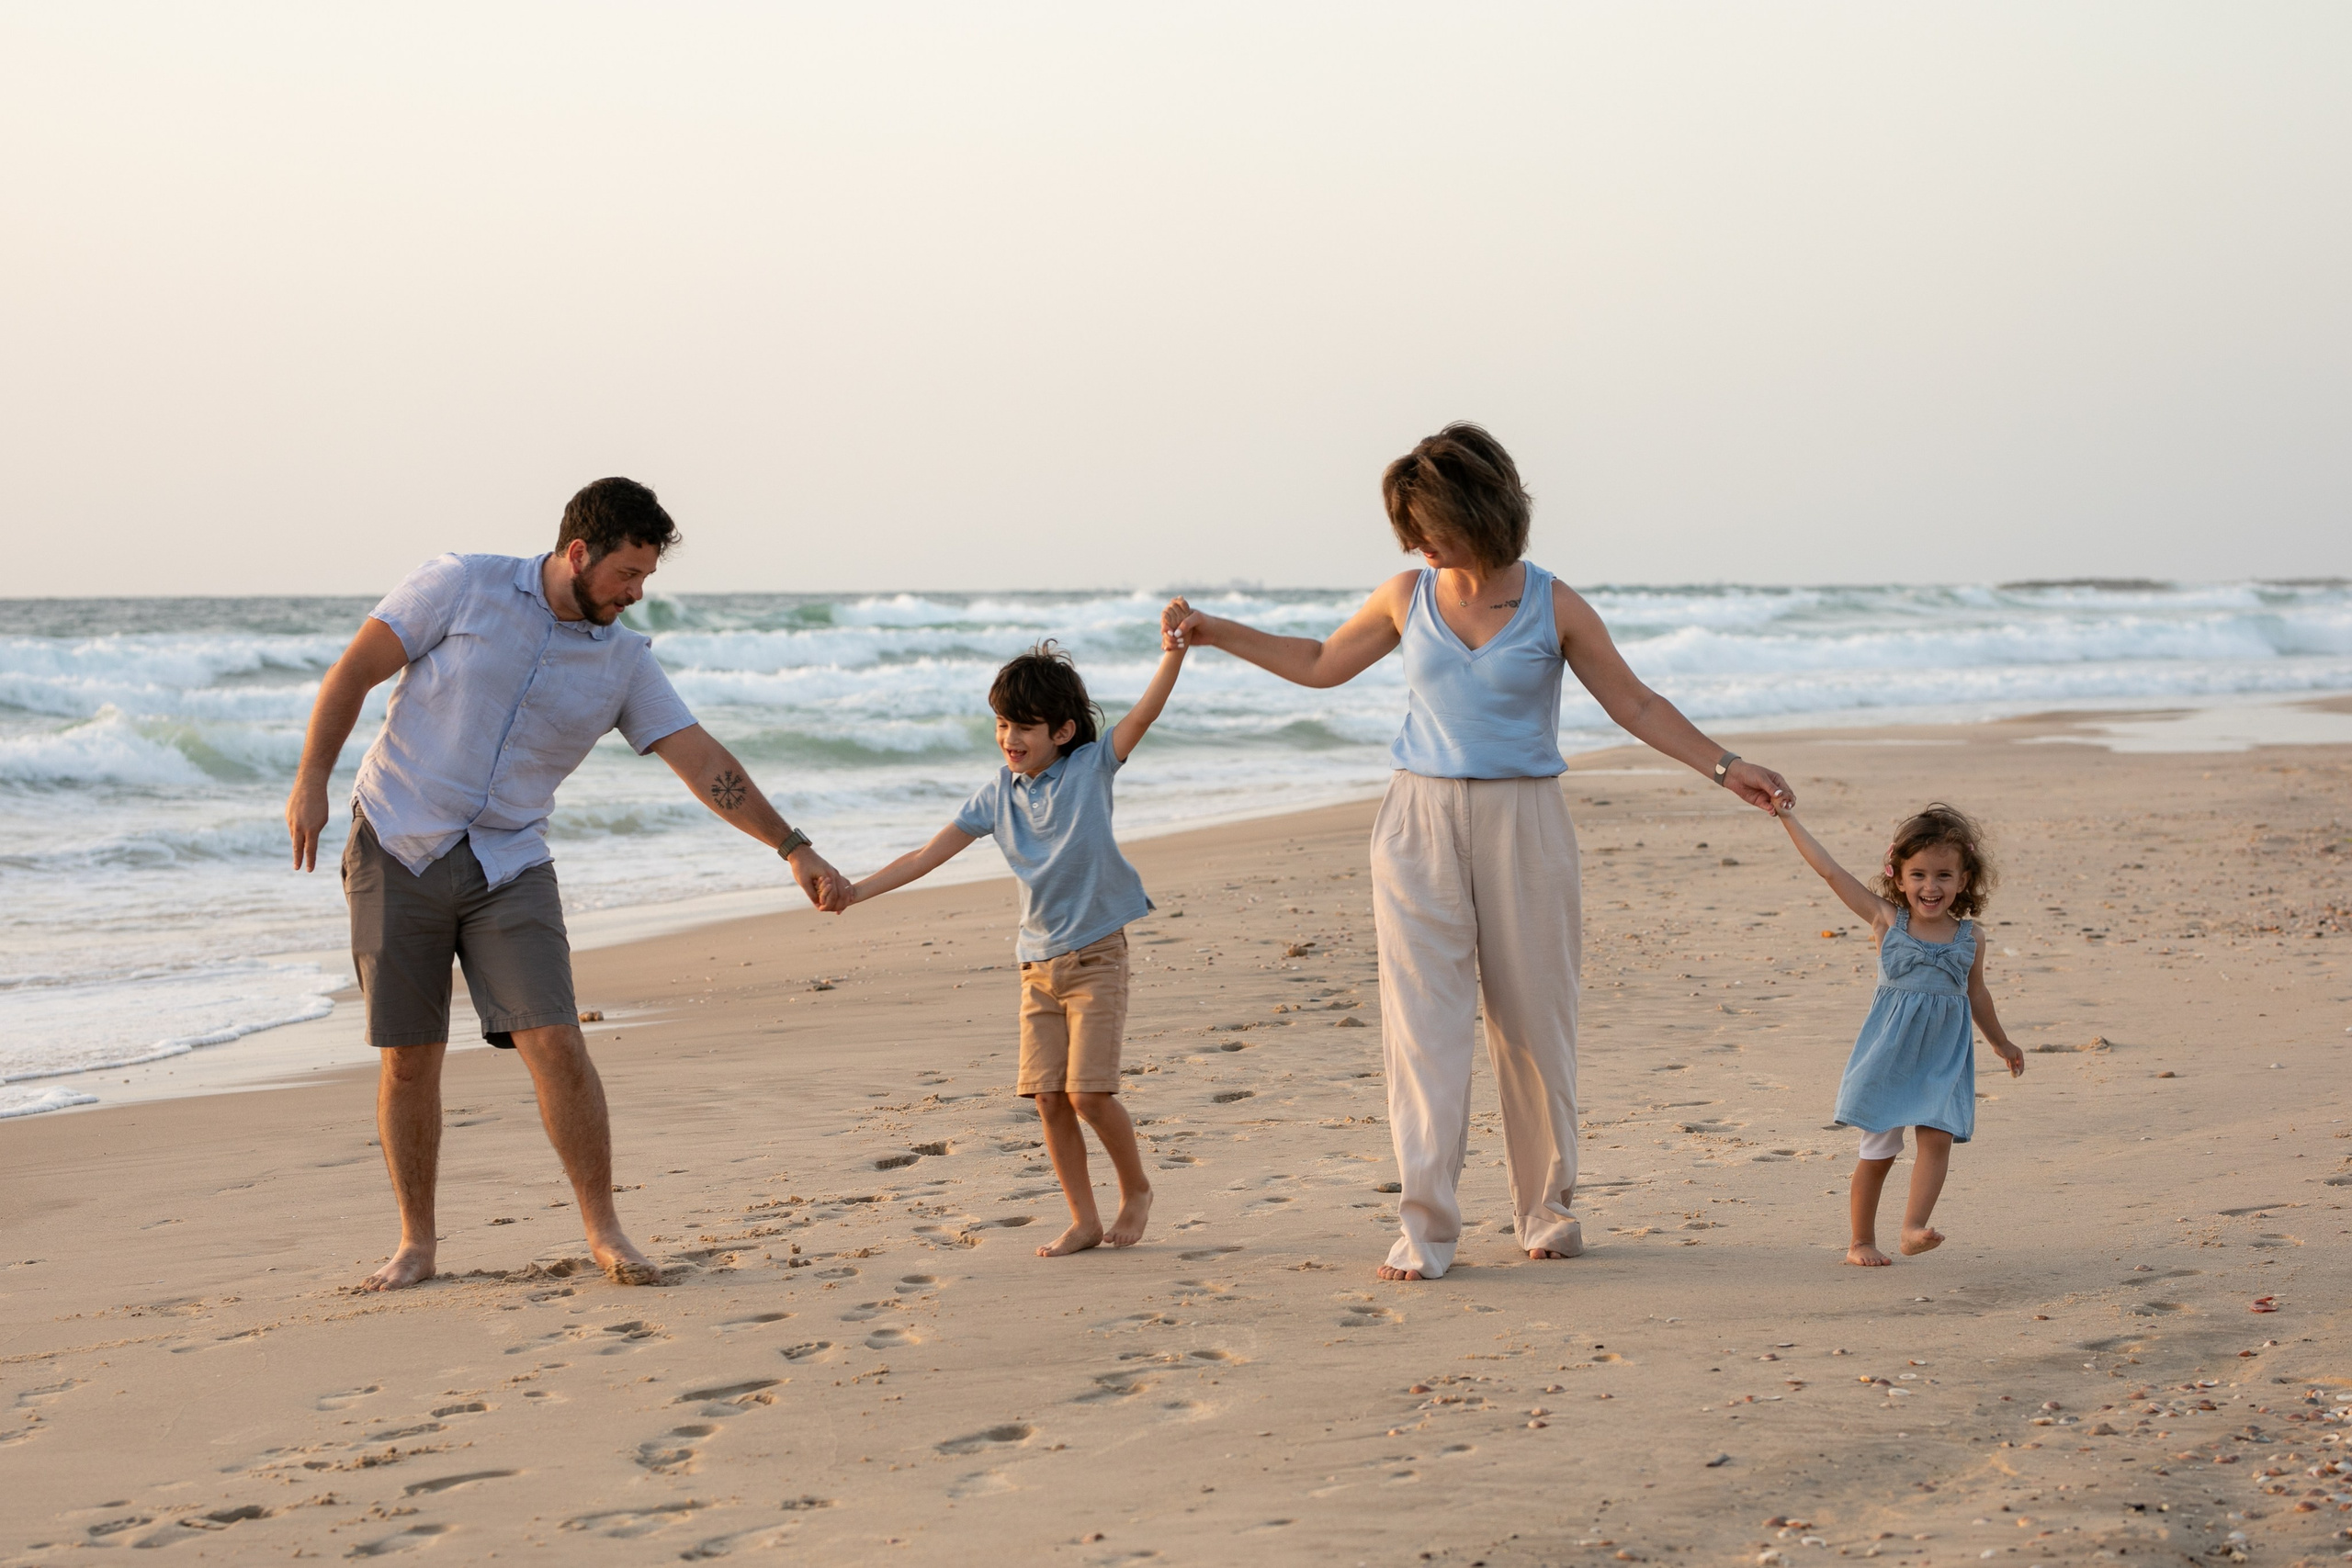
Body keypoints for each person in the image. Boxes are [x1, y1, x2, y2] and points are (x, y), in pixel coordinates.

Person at [1166, 423, 1793, 1282]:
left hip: (1524, 821)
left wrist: (1727, 767)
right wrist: (1214, 630)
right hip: (1416, 820)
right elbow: (1317, 662)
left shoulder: (1553, 603)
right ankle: (1425, 1228)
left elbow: (1637, 706)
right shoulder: (1404, 595)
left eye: (1433, 525)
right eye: (1411, 530)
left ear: (1484, 512)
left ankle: (1547, 1210)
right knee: (1423, 1031)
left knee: (1535, 1021)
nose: (1420, 544)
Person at [284, 478, 846, 1292]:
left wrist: (793, 846)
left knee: (557, 1039)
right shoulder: (461, 583)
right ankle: (417, 1243)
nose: (637, 592)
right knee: (410, 1057)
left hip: (509, 861)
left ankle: (605, 1229)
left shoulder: (622, 660)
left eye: (647, 577)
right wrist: (311, 780)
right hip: (397, 838)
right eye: (628, 573)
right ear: (578, 552)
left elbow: (702, 759)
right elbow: (354, 671)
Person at [837, 636, 1187, 1258]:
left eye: (1024, 726)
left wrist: (1175, 652)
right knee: (1048, 1096)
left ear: (1063, 729)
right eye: (1002, 724)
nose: (1010, 738)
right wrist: (855, 891)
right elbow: (925, 855)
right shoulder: (997, 795)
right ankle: (1083, 1218)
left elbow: (1144, 712)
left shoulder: (1091, 767)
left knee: (1089, 1093)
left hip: (1097, 955)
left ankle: (1136, 1189)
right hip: (1037, 964)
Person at [1772, 801, 2026, 1265]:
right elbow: (1830, 871)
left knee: (1938, 1137)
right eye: (1919, 875)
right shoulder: (1887, 921)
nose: (1931, 887)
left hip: (1942, 1058)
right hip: (1888, 1056)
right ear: (1898, 875)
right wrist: (1789, 817)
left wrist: (2000, 1041)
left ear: (1964, 880)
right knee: (1878, 1151)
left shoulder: (1971, 937)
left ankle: (1912, 1228)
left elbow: (1977, 995)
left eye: (1944, 876)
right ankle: (1860, 1241)